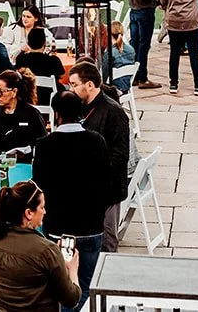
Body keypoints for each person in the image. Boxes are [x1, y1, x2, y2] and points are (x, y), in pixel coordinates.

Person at [31, 91, 109, 310]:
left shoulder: (45, 145)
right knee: (86, 284)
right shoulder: (97, 141)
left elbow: (39, 185)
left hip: (58, 228)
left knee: (63, 288)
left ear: (56, 115)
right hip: (91, 225)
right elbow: (106, 181)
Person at [0, 180, 81, 312]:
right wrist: (72, 269)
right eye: (42, 207)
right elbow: (71, 298)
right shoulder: (46, 251)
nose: (45, 212)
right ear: (28, 213)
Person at [66, 62, 131, 254]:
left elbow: (120, 154)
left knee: (106, 240)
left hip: (107, 188)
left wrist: (96, 174)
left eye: (74, 84)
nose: (71, 89)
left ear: (90, 85)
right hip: (84, 186)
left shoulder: (113, 111)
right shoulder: (80, 106)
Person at [0, 70, 46, 159]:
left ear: (14, 92)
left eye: (0, 91)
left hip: (23, 165)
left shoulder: (32, 114)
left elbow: (42, 145)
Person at [124, 0, 159, 89]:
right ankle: (143, 78)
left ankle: (135, 76)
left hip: (134, 11)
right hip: (144, 12)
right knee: (144, 46)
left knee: (135, 44)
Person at [14, 27, 64, 107]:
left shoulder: (21, 59)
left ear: (28, 42)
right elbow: (61, 75)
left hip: (27, 97)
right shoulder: (53, 60)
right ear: (44, 43)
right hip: (48, 97)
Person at [107, 22, 136, 93]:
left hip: (113, 88)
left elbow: (105, 76)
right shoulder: (131, 49)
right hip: (125, 85)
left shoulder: (110, 53)